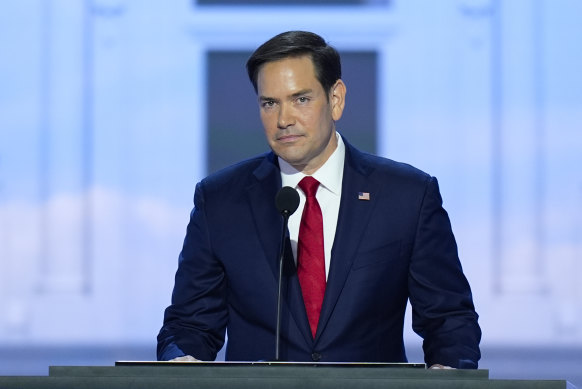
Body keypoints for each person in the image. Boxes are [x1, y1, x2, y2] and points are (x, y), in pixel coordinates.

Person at [157, 30, 481, 369]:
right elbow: (189, 324)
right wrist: (182, 359)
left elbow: (449, 318)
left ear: (336, 99)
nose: (284, 120)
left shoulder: (406, 196)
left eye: (301, 99)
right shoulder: (221, 200)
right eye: (270, 103)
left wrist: (451, 373)